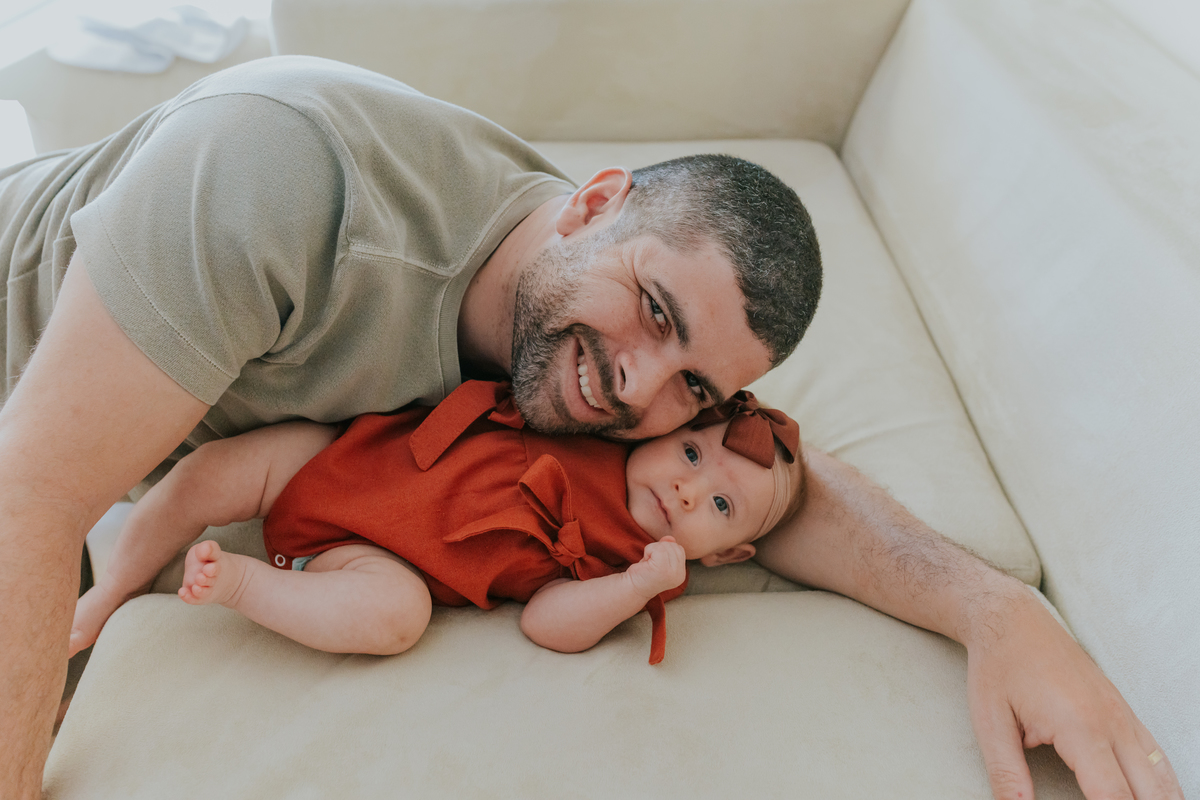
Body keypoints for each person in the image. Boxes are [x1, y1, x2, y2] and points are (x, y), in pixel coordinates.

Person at [0, 56, 1180, 800]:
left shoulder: (606, 348)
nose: (637, 394)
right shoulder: (279, 180)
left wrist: (996, 607)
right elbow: (35, 494)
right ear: (596, 202)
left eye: (695, 391)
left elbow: (786, 490)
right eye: (653, 313)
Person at [68, 382, 806, 666]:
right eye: (689, 451)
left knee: (395, 620)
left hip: (370, 556)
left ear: (728, 554)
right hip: (347, 458)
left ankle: (243, 586)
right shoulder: (609, 427)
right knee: (212, 471)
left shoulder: (633, 563)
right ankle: (107, 590)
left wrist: (640, 584)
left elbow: (549, 622)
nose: (684, 486)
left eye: (718, 505)